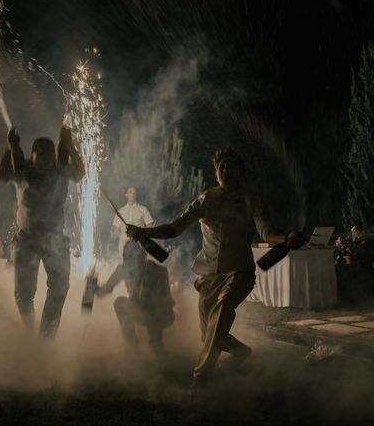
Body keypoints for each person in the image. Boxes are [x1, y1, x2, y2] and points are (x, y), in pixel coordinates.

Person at [127, 149, 304, 394]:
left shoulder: (250, 200)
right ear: (216, 172)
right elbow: (174, 228)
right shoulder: (206, 200)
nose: (227, 172)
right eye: (223, 167)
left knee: (220, 314)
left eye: (233, 167)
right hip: (209, 277)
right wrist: (144, 232)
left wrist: (286, 237)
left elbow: (267, 231)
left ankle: (199, 383)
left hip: (239, 274)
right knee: (209, 335)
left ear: (241, 173)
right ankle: (241, 353)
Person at [0, 120, 85, 337]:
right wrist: (10, 148)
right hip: (27, 239)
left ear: (54, 157)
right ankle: (29, 333)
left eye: (49, 159)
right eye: (40, 159)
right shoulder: (23, 169)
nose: (45, 164)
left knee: (60, 288)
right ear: (32, 156)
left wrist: (69, 145)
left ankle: (46, 337)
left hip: (55, 238)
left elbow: (80, 172)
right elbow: (0, 175)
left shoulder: (60, 170)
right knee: (24, 295)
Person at [96, 241, 174, 359]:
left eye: (135, 258)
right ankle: (132, 346)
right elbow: (105, 290)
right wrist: (93, 287)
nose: (133, 264)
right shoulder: (123, 269)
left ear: (143, 257)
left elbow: (167, 300)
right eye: (127, 257)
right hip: (139, 309)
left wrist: (154, 297)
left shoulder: (158, 271)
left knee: (152, 307)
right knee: (120, 303)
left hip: (161, 315)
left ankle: (157, 346)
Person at [111, 186, 154, 259]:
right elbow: (116, 230)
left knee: (140, 267)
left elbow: (150, 228)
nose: (132, 194)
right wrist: (124, 238)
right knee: (126, 268)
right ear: (126, 195)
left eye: (134, 193)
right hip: (124, 247)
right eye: (130, 192)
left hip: (140, 245)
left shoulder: (143, 209)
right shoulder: (120, 212)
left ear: (136, 195)